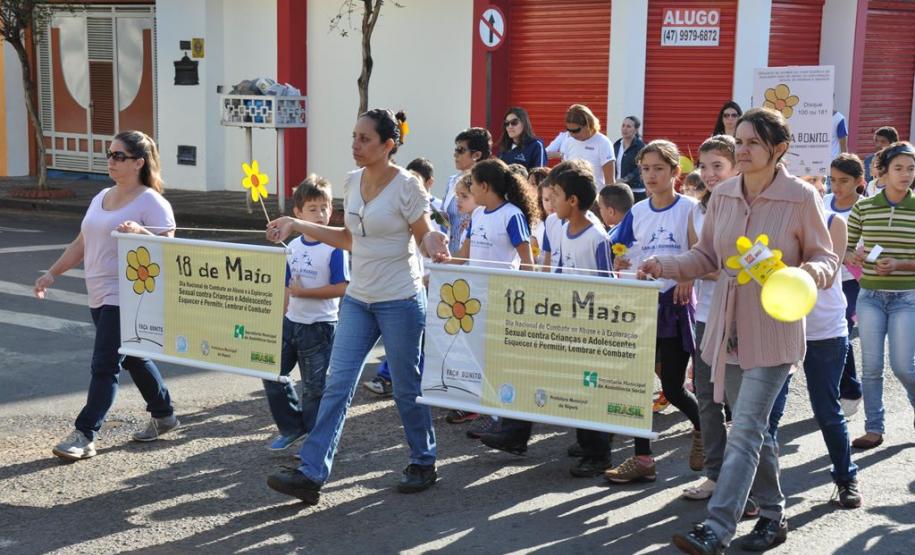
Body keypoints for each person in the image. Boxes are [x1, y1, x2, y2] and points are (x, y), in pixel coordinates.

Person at [640, 107, 838, 553]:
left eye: (752, 142)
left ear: (779, 149)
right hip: (725, 330)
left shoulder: (801, 198)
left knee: (745, 428)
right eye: (740, 140)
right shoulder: (724, 195)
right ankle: (773, 515)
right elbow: (707, 257)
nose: (742, 149)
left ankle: (718, 527)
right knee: (756, 430)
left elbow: (827, 259)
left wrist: (802, 275)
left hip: (774, 331)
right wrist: (664, 266)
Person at [265, 109, 449, 504]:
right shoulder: (351, 182)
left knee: (405, 388)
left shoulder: (407, 186)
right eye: (354, 137)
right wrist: (296, 225)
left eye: (365, 139)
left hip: (400, 300)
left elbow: (425, 234)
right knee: (337, 385)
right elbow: (349, 238)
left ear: (388, 145)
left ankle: (423, 460)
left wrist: (434, 243)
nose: (355, 145)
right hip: (358, 301)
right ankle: (312, 473)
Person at [35, 130, 180, 461]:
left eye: (119, 156)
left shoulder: (152, 202)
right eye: (109, 155)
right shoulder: (102, 195)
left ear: (138, 163)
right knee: (133, 356)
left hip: (131, 294)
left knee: (104, 364)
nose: (111, 161)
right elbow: (82, 243)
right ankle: (164, 414)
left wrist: (142, 233)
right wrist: (52, 273)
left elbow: (172, 251)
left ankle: (85, 434)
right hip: (98, 292)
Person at [478, 160, 613, 478]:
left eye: (554, 194)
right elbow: (553, 265)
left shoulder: (597, 237)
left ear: (573, 200)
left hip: (587, 322)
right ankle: (515, 433)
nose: (547, 201)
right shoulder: (556, 225)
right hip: (557, 314)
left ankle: (598, 451)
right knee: (531, 368)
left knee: (587, 385)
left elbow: (609, 283)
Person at [605, 140, 704, 483]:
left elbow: (699, 251)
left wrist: (686, 276)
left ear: (675, 173)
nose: (650, 175)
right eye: (645, 169)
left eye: (658, 168)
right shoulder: (637, 211)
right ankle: (642, 458)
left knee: (673, 388)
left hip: (674, 306)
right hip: (641, 305)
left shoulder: (689, 208)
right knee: (636, 384)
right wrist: (620, 261)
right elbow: (622, 249)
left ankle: (705, 429)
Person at [766, 206, 862, 509]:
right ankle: (763, 493)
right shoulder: (772, 221)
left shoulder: (834, 222)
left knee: (826, 409)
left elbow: (827, 274)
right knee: (768, 416)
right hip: (782, 326)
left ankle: (847, 479)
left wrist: (792, 268)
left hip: (826, 331)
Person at [265, 176, 349, 451]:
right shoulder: (293, 246)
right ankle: (293, 427)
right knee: (271, 371)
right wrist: (282, 315)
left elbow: (342, 287)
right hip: (291, 323)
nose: (321, 214)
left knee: (314, 388)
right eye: (312, 208)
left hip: (320, 326)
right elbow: (287, 285)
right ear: (297, 214)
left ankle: (318, 440)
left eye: (325, 207)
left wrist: (305, 294)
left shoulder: (335, 247)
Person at [681, 134, 740, 502]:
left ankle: (750, 481)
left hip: (741, 317)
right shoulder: (696, 209)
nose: (709, 173)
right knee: (706, 397)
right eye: (704, 166)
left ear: (736, 165)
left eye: (717, 165)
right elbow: (695, 260)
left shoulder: (748, 206)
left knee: (742, 404)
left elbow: (738, 268)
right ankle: (715, 475)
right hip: (706, 315)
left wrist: (703, 269)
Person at [846, 141, 915, 451]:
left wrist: (900, 264)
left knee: (903, 366)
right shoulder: (863, 207)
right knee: (871, 368)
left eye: (911, 169)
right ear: (882, 174)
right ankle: (874, 429)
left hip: (907, 298)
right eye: (898, 168)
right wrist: (853, 256)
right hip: (870, 296)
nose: (906, 174)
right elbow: (845, 246)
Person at [363, 157, 440, 396]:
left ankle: (417, 384)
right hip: (401, 282)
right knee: (395, 338)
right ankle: (387, 378)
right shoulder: (397, 206)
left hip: (426, 284)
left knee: (422, 340)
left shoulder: (436, 213)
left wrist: (431, 276)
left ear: (428, 183)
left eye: (416, 181)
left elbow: (433, 248)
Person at [823, 154, 866, 416]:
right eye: (832, 180)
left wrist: (853, 253)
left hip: (852, 282)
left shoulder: (865, 207)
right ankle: (833, 389)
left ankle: (850, 389)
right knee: (826, 336)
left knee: (842, 333)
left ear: (859, 181)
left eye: (844, 181)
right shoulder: (823, 201)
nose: (836, 187)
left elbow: (871, 246)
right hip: (825, 279)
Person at [440, 128, 492, 255]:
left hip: (474, 257)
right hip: (450, 254)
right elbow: (444, 214)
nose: (455, 155)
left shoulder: (486, 184)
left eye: (460, 150)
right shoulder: (452, 181)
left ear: (477, 155)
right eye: (455, 150)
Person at [546, 104, 616, 188]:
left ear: (589, 124)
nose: (572, 134)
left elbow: (610, 181)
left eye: (576, 131)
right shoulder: (569, 141)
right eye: (569, 130)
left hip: (595, 198)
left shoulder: (603, 143)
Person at [613, 116, 647, 201]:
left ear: (635, 130)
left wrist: (625, 179)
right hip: (619, 189)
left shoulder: (640, 146)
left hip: (636, 191)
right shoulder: (617, 145)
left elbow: (640, 167)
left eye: (628, 126)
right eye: (623, 125)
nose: (625, 129)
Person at [529, 167, 552, 268]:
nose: (529, 188)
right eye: (528, 183)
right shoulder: (535, 220)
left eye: (533, 184)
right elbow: (534, 247)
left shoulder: (562, 220)